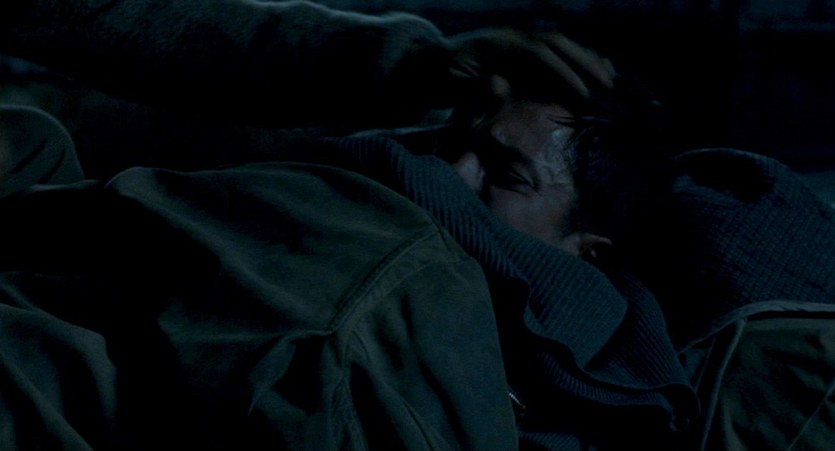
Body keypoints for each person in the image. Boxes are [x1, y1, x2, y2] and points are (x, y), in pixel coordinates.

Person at [3, 1, 835, 450]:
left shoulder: (416, 301)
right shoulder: (351, 215)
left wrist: (410, 61)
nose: (450, 173)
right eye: (454, 144)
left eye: (502, 172)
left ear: (588, 249)